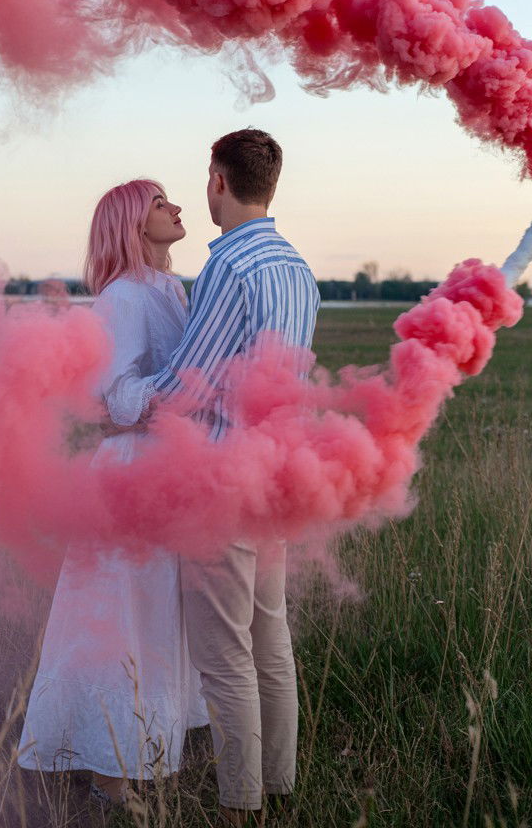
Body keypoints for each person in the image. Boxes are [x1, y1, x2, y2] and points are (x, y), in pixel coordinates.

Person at [108, 129, 321, 824]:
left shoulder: (229, 267)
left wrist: (124, 404)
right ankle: (280, 788)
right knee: (271, 641)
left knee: (226, 657)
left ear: (218, 182)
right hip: (277, 476)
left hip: (222, 483)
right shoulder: (296, 267)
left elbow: (188, 382)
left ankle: (240, 806)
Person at [17, 180, 209, 808]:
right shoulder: (122, 298)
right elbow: (116, 399)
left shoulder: (169, 289)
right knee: (118, 614)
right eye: (160, 202)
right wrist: (187, 382)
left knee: (159, 613)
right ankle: (107, 768)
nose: (177, 207)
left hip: (167, 464)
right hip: (131, 469)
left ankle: (148, 743)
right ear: (131, 221)